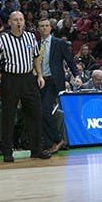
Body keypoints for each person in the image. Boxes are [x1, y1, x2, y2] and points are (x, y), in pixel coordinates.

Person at [0, 11, 49, 162]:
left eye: (21, 19)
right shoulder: (3, 40)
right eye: (15, 20)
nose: (19, 22)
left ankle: (36, 149)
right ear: (9, 22)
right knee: (9, 116)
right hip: (10, 79)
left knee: (35, 114)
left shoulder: (30, 37)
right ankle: (7, 152)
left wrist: (40, 75)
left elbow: (36, 57)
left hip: (29, 78)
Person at [33, 19, 78, 154]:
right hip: (38, 81)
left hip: (53, 82)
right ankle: (49, 143)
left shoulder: (59, 43)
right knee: (40, 113)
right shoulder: (35, 44)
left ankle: (58, 139)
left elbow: (69, 60)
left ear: (51, 28)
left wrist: (77, 75)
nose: (44, 28)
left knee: (46, 110)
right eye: (41, 26)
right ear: (38, 29)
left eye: (47, 26)